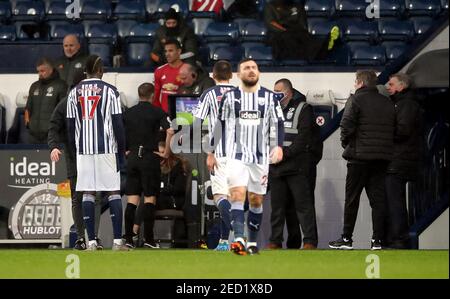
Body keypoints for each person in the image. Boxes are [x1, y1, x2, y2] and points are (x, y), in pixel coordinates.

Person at [218, 58, 285, 255]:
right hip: (235, 155)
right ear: (239, 74)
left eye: (254, 67)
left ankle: (252, 243)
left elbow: (279, 123)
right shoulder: (230, 97)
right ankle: (239, 239)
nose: (251, 70)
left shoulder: (270, 97)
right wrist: (215, 151)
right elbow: (221, 124)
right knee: (237, 195)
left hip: (261, 156)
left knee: (256, 200)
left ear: (258, 72)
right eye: (246, 68)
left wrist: (279, 146)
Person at [329, 70, 395, 250]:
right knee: (378, 201)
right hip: (381, 158)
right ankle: (377, 240)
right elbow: (393, 130)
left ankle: (347, 239)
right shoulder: (387, 102)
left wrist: (346, 145)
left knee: (352, 199)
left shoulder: (355, 99)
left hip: (359, 157)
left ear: (360, 82)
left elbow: (346, 125)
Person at [66, 55, 127, 251]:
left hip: (83, 149)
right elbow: (118, 123)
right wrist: (121, 151)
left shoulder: (73, 92)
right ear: (100, 70)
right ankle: (117, 242)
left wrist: (75, 150)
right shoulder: (110, 91)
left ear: (86, 71)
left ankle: (91, 241)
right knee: (113, 192)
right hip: (106, 148)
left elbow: (69, 125)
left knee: (88, 193)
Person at [268, 78, 322, 250]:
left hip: (297, 166)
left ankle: (310, 241)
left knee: (303, 207)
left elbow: (304, 138)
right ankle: (275, 241)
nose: (275, 95)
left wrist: (284, 153)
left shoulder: (304, 109)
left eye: (279, 92)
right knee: (277, 209)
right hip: (276, 167)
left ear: (288, 92)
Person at [122, 83, 173, 249]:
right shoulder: (157, 111)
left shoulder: (128, 113)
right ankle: (149, 239)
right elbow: (170, 130)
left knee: (132, 200)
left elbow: (119, 133)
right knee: (150, 198)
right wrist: (166, 152)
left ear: (139, 94)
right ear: (152, 95)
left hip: (133, 158)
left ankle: (128, 239)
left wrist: (126, 150)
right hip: (149, 158)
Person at [193, 60, 235, 251]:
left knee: (220, 197)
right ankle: (231, 240)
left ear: (213, 76)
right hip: (242, 155)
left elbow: (197, 122)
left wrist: (209, 152)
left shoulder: (208, 94)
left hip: (220, 153)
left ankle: (229, 238)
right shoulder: (242, 94)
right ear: (232, 75)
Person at [385, 73, 423, 249]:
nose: (388, 87)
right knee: (394, 200)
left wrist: (383, 133)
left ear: (402, 86)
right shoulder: (402, 103)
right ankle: (396, 236)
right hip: (400, 157)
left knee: (395, 200)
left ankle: (398, 238)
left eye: (391, 84)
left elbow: (403, 131)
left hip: (399, 159)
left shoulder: (406, 104)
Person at [264, 0, 339, 61]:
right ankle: (320, 52)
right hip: (280, 34)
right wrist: (286, 30)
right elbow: (271, 23)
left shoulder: (297, 6)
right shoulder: (270, 6)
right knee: (289, 39)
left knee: (307, 37)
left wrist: (300, 32)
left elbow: (303, 25)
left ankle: (327, 44)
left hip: (296, 32)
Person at [25, 58, 68, 144]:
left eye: (42, 71)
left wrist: (56, 129)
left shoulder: (61, 85)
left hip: (52, 135)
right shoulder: (34, 86)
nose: (40, 74)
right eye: (38, 71)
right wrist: (28, 124)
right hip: (33, 135)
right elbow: (28, 107)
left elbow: (64, 110)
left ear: (51, 70)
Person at [153, 39, 185, 113]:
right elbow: (155, 97)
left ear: (179, 51)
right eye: (165, 51)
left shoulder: (188, 71)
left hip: (183, 115)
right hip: (164, 115)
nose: (167, 54)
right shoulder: (159, 71)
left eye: (170, 51)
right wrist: (160, 114)